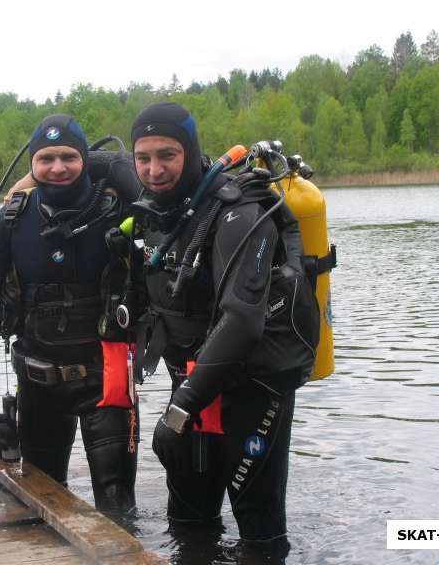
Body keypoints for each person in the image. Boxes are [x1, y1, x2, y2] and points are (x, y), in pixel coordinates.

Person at [129, 102, 319, 553]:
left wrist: (177, 412)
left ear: (191, 151)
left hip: (251, 390)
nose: (154, 170)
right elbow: (81, 162)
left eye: (167, 155)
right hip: (191, 386)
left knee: (260, 538)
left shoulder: (240, 211)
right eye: (143, 157)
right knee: (189, 528)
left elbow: (241, 320)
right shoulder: (159, 205)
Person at [0, 114, 138, 514]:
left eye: (68, 157)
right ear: (32, 164)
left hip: (106, 381)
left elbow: (168, 198)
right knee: (41, 505)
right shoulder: (10, 221)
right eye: (45, 158)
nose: (57, 168)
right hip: (38, 383)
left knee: (117, 507)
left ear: (84, 158)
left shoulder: (118, 210)